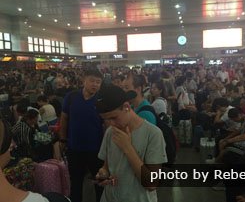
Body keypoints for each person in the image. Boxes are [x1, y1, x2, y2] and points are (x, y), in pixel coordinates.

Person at [95, 84, 167, 202]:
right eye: (106, 119)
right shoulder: (110, 132)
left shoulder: (153, 134)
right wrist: (103, 174)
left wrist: (127, 147)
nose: (111, 123)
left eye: (114, 117)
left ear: (126, 107)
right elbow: (106, 167)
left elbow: (151, 183)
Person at [59, 69, 104, 202]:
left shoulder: (101, 100)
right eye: (92, 81)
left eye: (98, 82)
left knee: (99, 183)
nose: (95, 85)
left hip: (96, 149)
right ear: (84, 80)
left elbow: (106, 125)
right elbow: (64, 118)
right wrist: (62, 139)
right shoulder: (71, 97)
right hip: (74, 148)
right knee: (76, 182)